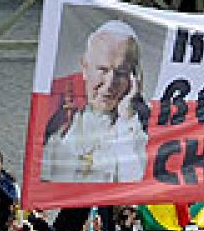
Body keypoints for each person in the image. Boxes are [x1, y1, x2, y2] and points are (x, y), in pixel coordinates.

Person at [39, 19, 149, 183]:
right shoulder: (59, 115)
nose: (110, 84)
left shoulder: (138, 124)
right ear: (85, 67)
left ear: (133, 77)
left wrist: (126, 119)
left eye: (120, 73)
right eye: (103, 70)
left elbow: (136, 182)